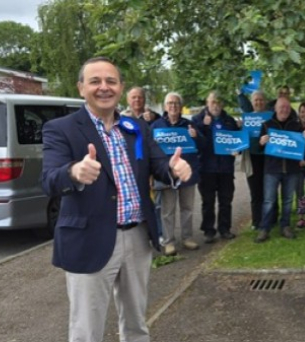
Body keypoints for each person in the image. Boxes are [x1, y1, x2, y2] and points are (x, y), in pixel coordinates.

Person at [41, 56, 191, 342]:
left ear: (121, 87)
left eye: (111, 81)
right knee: (86, 331)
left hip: (138, 237)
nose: (104, 87)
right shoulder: (61, 128)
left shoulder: (136, 128)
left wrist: (173, 170)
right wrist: (74, 171)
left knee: (136, 326)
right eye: (95, 81)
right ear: (81, 88)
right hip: (89, 239)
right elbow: (48, 179)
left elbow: (159, 164)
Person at [151, 92, 203, 255]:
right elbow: (150, 150)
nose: (173, 106)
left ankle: (187, 238)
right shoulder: (156, 126)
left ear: (180, 107)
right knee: (167, 210)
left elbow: (203, 146)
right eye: (170, 103)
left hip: (187, 174)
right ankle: (168, 241)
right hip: (167, 174)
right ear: (166, 107)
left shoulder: (189, 125)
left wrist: (197, 137)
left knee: (187, 208)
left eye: (176, 103)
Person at [255, 97, 305, 243]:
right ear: (275, 109)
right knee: (269, 201)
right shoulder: (267, 125)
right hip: (272, 169)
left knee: (287, 200)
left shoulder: (296, 126)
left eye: (287, 107)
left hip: (291, 169)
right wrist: (261, 142)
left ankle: (285, 226)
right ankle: (264, 228)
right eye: (281, 107)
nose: (284, 110)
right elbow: (259, 148)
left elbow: (302, 147)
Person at [192, 91, 238, 243]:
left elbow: (238, 142)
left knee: (226, 200)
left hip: (226, 168)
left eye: (218, 102)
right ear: (207, 103)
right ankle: (208, 231)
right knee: (208, 201)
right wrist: (204, 126)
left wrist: (238, 149)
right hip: (206, 168)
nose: (216, 105)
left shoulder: (229, 120)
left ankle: (225, 229)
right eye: (213, 102)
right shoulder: (197, 120)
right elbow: (198, 143)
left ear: (222, 104)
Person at [238, 90, 273, 230]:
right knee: (255, 191)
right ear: (252, 103)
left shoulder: (271, 118)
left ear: (265, 101)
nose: (258, 102)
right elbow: (242, 141)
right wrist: (240, 129)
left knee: (269, 191)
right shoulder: (247, 119)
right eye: (255, 100)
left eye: (261, 100)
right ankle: (256, 220)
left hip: (268, 158)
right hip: (252, 158)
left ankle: (271, 218)